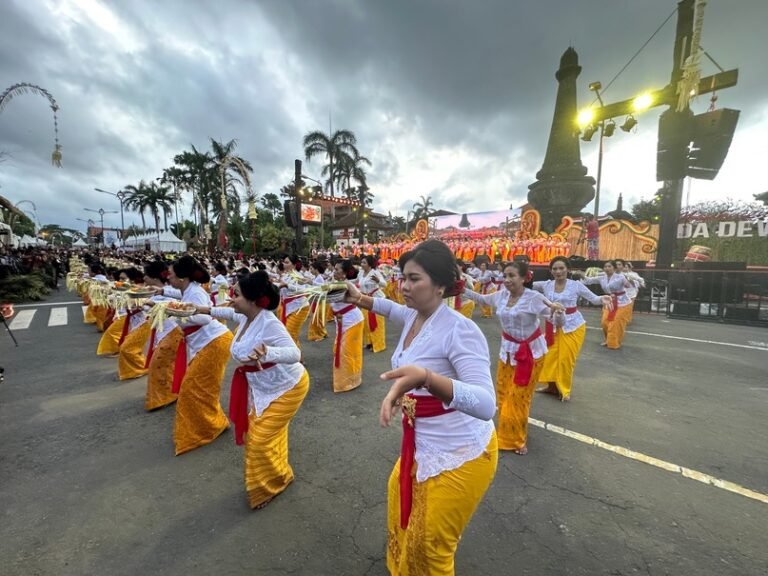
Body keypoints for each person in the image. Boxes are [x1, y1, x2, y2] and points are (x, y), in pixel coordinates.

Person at [345, 239, 498, 575]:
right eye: (402, 277)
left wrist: (427, 378)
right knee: (401, 511)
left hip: (461, 452)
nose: (404, 286)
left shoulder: (461, 330)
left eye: (414, 279)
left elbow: (487, 405)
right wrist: (360, 299)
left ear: (441, 286)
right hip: (422, 445)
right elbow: (391, 309)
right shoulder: (417, 316)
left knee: (430, 545)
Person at [194, 271, 309, 509]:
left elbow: (295, 354)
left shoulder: (269, 323)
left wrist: (268, 352)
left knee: (258, 439)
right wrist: (200, 310)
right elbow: (224, 311)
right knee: (264, 433)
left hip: (288, 386)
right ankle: (277, 473)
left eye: (236, 294)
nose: (231, 298)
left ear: (253, 300)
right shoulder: (246, 317)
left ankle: (269, 485)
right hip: (263, 387)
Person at [463, 260, 563, 455]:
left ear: (524, 278)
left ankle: (515, 440)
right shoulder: (501, 295)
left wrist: (558, 311)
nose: (507, 280)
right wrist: (460, 289)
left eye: (512, 276)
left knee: (517, 398)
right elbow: (482, 300)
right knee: (503, 394)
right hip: (507, 353)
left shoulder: (534, 298)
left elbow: (557, 321)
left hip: (531, 355)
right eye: (505, 275)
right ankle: (514, 428)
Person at [159, 255, 234, 455]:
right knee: (201, 388)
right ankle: (212, 423)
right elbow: (176, 297)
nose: (169, 278)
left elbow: (203, 317)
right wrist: (159, 297)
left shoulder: (196, 292)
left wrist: (174, 312)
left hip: (214, 342)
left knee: (193, 388)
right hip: (208, 343)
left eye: (171, 275)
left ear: (182, 278)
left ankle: (208, 427)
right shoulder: (187, 290)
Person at [531, 256, 612, 401]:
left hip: (573, 326)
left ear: (568, 269)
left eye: (561, 268)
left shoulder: (575, 285)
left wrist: (602, 299)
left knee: (565, 360)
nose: (558, 271)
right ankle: (551, 387)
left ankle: (564, 390)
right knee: (549, 357)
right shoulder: (547, 285)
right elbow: (528, 284)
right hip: (553, 326)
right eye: (555, 269)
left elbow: (593, 299)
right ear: (551, 271)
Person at [142, 261, 181, 411]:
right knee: (164, 365)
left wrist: (149, 304)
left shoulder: (170, 291)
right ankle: (168, 392)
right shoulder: (156, 291)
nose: (144, 278)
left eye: (146, 275)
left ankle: (165, 395)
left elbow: (174, 305)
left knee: (158, 365)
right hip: (163, 332)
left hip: (172, 332)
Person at [580, 260, 632, 350]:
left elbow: (629, 286)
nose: (607, 268)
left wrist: (629, 281)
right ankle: (608, 339)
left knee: (615, 323)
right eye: (605, 267)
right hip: (609, 301)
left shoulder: (620, 277)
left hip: (622, 303)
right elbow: (588, 281)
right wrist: (581, 275)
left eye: (609, 266)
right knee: (604, 322)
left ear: (614, 268)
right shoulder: (602, 277)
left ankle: (614, 343)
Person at [331, 260, 365, 392]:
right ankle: (344, 380)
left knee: (347, 351)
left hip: (352, 321)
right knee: (339, 350)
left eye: (337, 270)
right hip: (340, 320)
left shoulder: (346, 284)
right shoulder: (333, 284)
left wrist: (347, 285)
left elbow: (357, 296)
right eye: (334, 269)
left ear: (344, 273)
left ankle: (348, 381)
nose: (334, 271)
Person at [277, 255, 310, 348]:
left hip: (299, 307)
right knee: (288, 334)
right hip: (288, 306)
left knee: (290, 334)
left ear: (294, 265)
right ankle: (297, 358)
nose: (284, 264)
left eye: (287, 262)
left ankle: (295, 358)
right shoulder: (286, 276)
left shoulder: (298, 276)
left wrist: (287, 285)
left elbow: (303, 290)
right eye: (284, 262)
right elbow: (281, 290)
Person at [358, 254, 387, 353]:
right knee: (366, 322)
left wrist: (378, 281)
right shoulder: (361, 273)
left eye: (364, 263)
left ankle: (378, 344)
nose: (362, 264)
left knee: (376, 323)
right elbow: (357, 282)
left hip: (376, 299)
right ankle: (369, 342)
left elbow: (384, 284)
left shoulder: (375, 273)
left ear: (369, 265)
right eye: (361, 262)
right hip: (365, 299)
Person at [307, 260, 328, 342]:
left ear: (316, 269)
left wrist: (312, 282)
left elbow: (323, 287)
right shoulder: (316, 278)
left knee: (318, 318)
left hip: (320, 300)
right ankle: (322, 332)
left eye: (311, 268)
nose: (310, 270)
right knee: (316, 318)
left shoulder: (320, 278)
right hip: (316, 300)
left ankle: (320, 335)